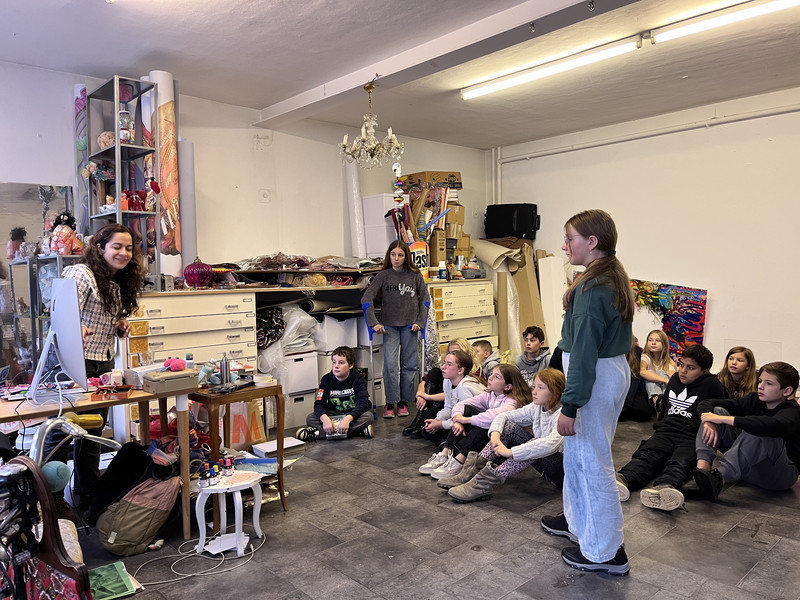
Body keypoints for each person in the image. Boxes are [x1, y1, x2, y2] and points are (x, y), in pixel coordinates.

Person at [539, 209, 634, 576]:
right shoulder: (605, 276)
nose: (564, 246)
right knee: (578, 457)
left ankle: (607, 552)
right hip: (605, 374)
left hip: (594, 378)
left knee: (593, 463)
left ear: (592, 242)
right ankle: (578, 523)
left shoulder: (594, 288)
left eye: (570, 239)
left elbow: (582, 353)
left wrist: (570, 406)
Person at [46, 223, 146, 508]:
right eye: (117, 246)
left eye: (128, 248)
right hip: (71, 361)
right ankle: (49, 499)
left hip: (101, 361)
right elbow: (58, 310)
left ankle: (87, 493)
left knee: (92, 430)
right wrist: (74, 326)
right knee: (60, 431)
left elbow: (100, 315)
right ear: (100, 248)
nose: (124, 253)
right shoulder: (80, 273)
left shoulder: (115, 282)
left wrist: (119, 324)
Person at [615, 344, 727, 512]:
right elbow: (666, 408)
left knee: (680, 462)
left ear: (705, 371)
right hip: (666, 430)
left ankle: (666, 488)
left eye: (691, 368)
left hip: (691, 435)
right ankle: (624, 479)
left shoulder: (713, 385)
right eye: (681, 365)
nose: (683, 371)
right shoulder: (674, 379)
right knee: (647, 456)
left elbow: (722, 411)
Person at [446, 368, 566, 502]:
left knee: (535, 443)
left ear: (555, 391)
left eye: (540, 387)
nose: (534, 391)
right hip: (545, 468)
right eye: (534, 386)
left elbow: (551, 444)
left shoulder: (563, 414)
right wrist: (495, 437)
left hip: (563, 473)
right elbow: (503, 416)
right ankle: (472, 474)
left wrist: (510, 452)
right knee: (509, 426)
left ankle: (482, 484)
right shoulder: (537, 406)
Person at [694, 361, 800, 501]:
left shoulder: (792, 411)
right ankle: (703, 473)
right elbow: (708, 403)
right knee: (717, 412)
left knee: (761, 429)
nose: (760, 386)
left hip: (777, 477)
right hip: (748, 469)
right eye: (760, 381)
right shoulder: (755, 399)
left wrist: (725, 419)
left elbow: (773, 424)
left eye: (769, 383)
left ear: (786, 391)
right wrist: (709, 421)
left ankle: (718, 479)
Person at [361, 240, 430, 419]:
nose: (396, 258)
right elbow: (366, 299)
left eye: (400, 255)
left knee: (409, 366)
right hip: (389, 327)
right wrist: (373, 323)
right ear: (389, 256)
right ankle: (390, 403)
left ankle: (404, 402)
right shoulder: (383, 275)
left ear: (406, 257)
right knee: (391, 366)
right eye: (393, 255)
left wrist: (420, 322)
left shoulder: (415, 275)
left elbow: (425, 299)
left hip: (410, 327)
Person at [427, 363, 527, 480]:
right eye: (491, 374)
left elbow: (494, 417)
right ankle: (446, 453)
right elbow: (462, 404)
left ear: (508, 387)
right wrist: (458, 419)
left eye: (497, 377)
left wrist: (467, 420)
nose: (490, 378)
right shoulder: (490, 394)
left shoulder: (512, 402)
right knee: (468, 411)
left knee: (485, 424)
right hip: (491, 438)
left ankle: (459, 460)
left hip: (506, 445)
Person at [418, 350, 485, 473]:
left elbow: (464, 416)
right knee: (427, 428)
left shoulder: (465, 388)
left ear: (460, 370)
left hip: (478, 424)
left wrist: (440, 425)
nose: (443, 367)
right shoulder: (447, 381)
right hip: (459, 421)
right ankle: (445, 452)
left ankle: (447, 453)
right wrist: (437, 420)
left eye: (449, 364)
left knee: (457, 421)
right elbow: (449, 408)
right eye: (444, 363)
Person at [296, 346, 373, 441]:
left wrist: (347, 419)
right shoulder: (326, 379)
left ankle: (318, 433)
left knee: (368, 417)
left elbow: (362, 404)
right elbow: (319, 404)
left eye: (341, 362)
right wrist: (325, 419)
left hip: (352, 414)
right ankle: (358, 431)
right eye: (334, 362)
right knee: (310, 418)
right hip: (334, 414)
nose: (336, 366)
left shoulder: (359, 379)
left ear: (351, 365)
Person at [404, 338, 475, 438]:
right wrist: (421, 394)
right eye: (450, 353)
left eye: (456, 353)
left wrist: (428, 397)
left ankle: (442, 438)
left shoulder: (466, 384)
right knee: (434, 372)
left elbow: (464, 415)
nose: (443, 367)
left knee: (439, 429)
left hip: (466, 417)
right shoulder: (447, 378)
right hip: (450, 408)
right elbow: (424, 381)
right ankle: (420, 421)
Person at [640, 329, 677, 409]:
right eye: (650, 340)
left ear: (664, 345)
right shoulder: (645, 357)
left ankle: (663, 402)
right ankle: (658, 401)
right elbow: (642, 372)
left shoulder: (668, 362)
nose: (653, 343)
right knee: (650, 373)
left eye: (658, 340)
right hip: (646, 392)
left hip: (665, 392)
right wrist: (664, 380)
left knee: (661, 373)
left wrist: (665, 379)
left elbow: (672, 378)